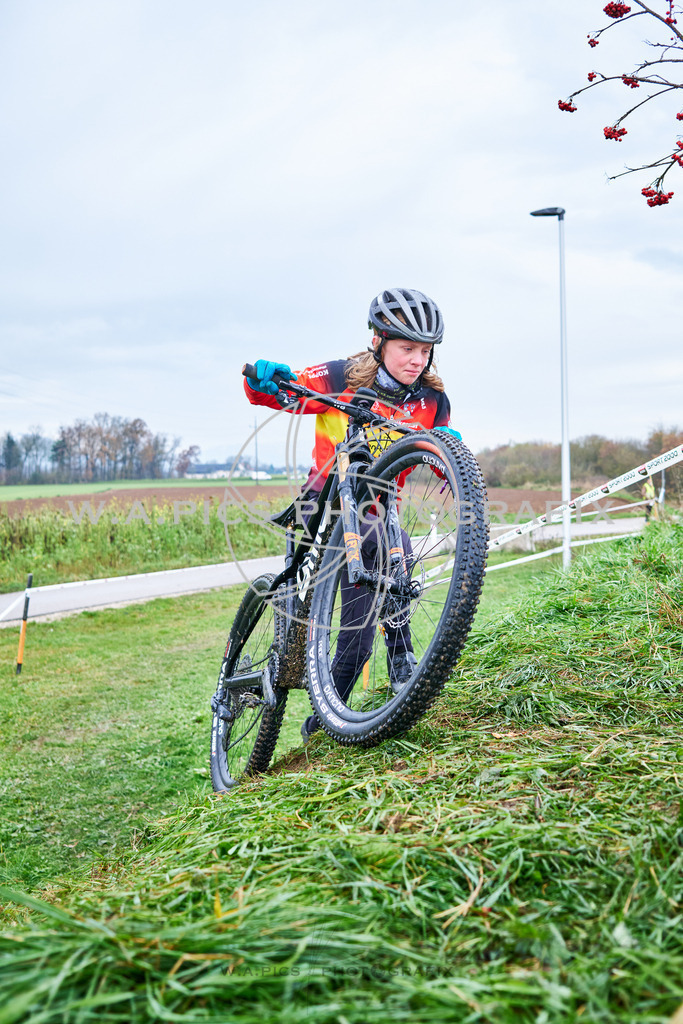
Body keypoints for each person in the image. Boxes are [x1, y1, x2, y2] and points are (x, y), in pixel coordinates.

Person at [244, 287, 460, 743]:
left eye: (425, 351)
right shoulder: (343, 376)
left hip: (378, 515)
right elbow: (280, 394)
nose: (417, 360)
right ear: (379, 341)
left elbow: (438, 453)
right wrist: (264, 380)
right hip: (320, 505)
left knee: (358, 644)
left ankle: (322, 728)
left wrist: (452, 460)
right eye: (407, 348)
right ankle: (378, 654)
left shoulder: (431, 401)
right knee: (300, 634)